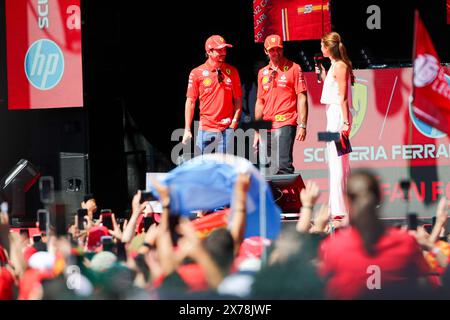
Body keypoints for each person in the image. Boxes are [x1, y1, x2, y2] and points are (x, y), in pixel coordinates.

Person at [318, 170, 433, 299]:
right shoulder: (406, 243)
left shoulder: (334, 247)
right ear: (380, 197)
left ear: (346, 201)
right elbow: (426, 284)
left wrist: (317, 227)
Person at [253, 34, 308, 175]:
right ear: (265, 51)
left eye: (279, 49)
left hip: (286, 121)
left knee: (283, 166)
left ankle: (289, 197)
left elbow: (302, 97)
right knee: (267, 169)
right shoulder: (262, 73)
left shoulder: (294, 68)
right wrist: (257, 131)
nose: (276, 53)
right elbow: (260, 101)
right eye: (272, 50)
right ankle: (274, 198)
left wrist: (303, 125)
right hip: (266, 125)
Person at [182, 35, 242, 154]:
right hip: (205, 129)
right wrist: (187, 129)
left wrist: (234, 123)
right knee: (203, 169)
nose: (223, 53)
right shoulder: (196, 73)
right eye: (219, 50)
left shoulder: (233, 71)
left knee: (223, 169)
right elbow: (191, 102)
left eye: (224, 49)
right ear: (209, 51)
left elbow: (238, 100)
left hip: (226, 129)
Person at [316, 32, 354, 219]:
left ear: (328, 47)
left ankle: (340, 209)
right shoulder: (334, 66)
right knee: (334, 161)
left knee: (338, 162)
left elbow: (343, 97)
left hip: (338, 117)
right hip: (332, 114)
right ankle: (338, 206)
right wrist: (324, 75)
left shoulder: (340, 66)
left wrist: (346, 123)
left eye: (322, 45)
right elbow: (333, 91)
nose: (320, 49)